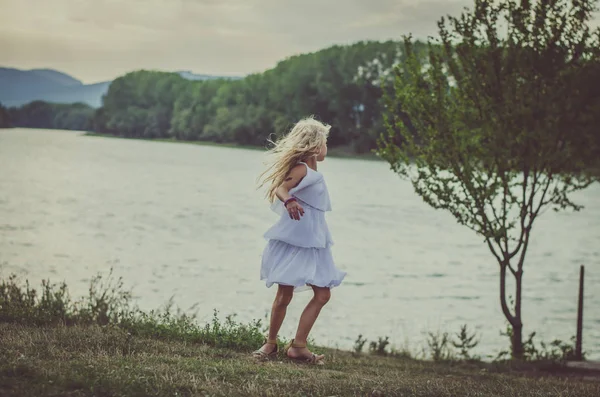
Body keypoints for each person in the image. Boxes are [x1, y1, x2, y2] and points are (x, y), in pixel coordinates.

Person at [254, 116, 346, 365]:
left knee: (322, 294)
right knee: (284, 295)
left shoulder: (311, 169)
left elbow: (301, 177)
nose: (327, 146)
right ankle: (271, 343)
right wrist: (290, 201)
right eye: (325, 141)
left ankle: (298, 346)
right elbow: (280, 189)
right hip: (297, 240)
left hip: (315, 242)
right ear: (317, 145)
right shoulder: (301, 169)